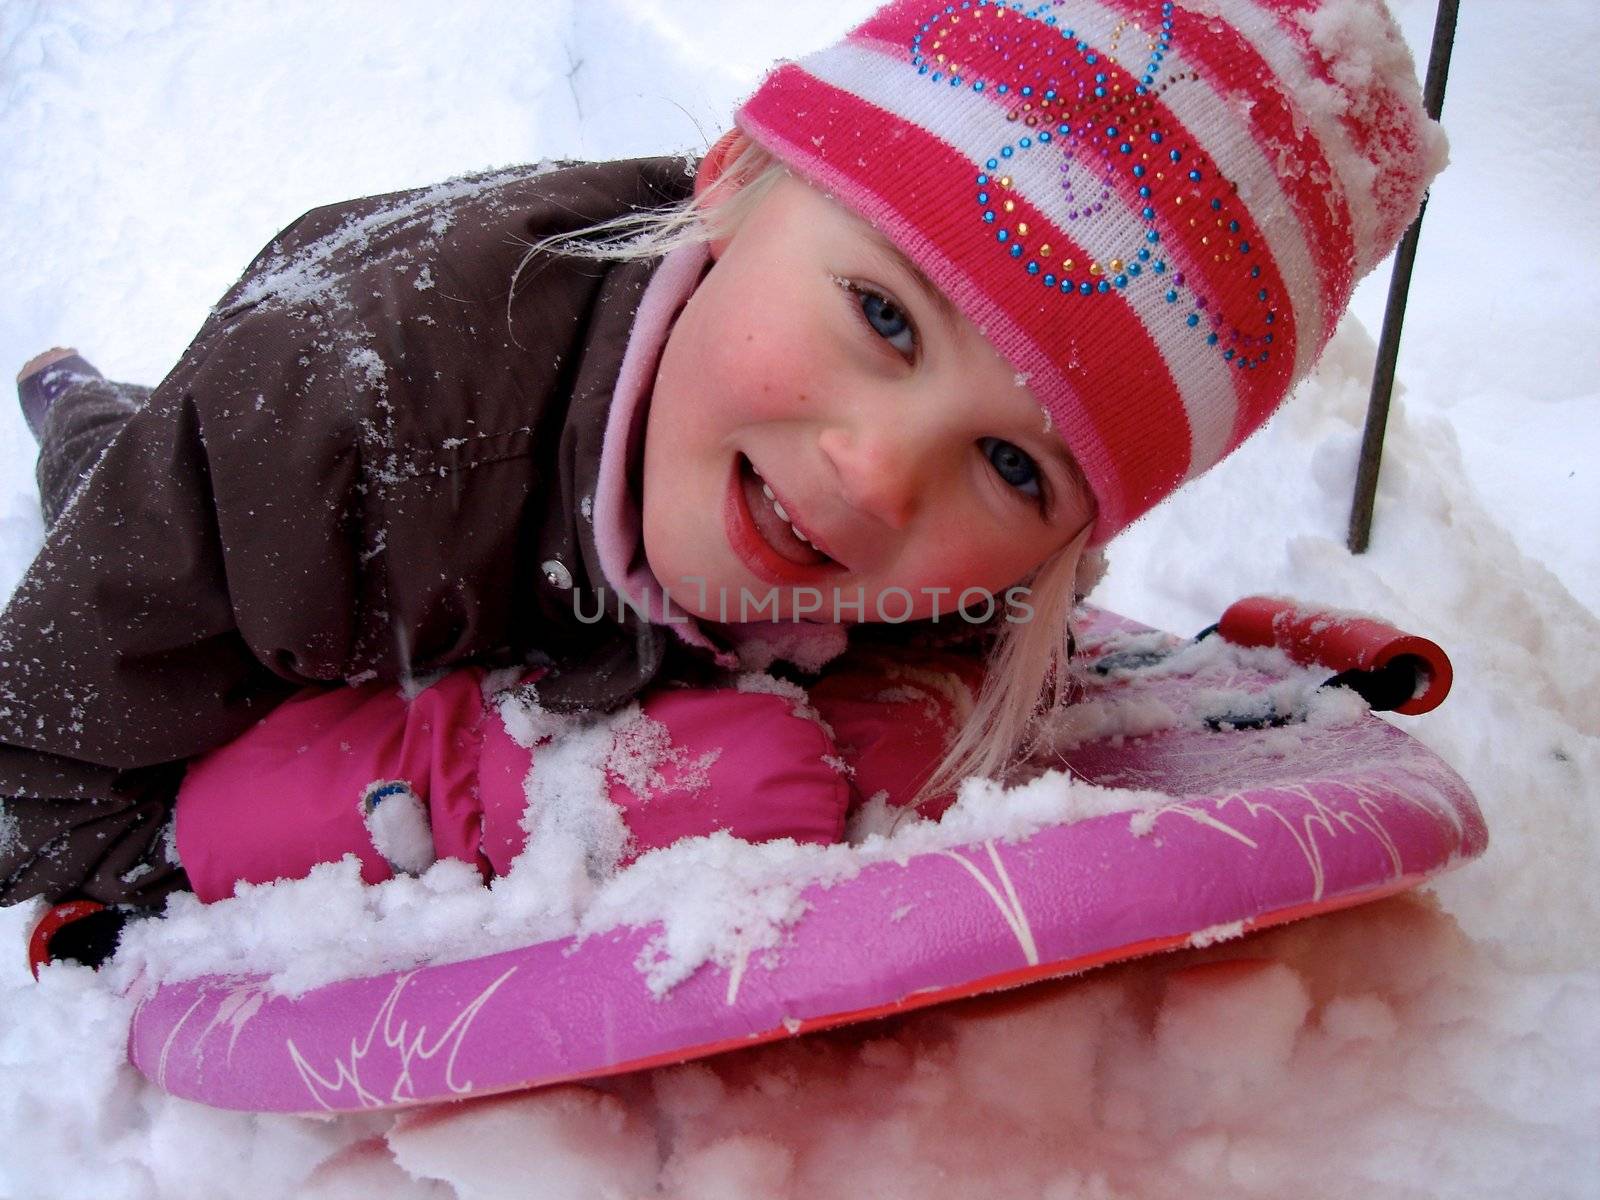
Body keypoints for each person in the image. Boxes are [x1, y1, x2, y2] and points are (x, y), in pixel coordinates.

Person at [4, 0, 1442, 965]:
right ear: (736, 173)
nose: (877, 475)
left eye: (1013, 460)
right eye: (885, 316)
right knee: (116, 485)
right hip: (302, 431)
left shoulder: (962, 558)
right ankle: (71, 398)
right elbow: (42, 792)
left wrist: (892, 721)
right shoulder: (339, 420)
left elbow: (995, 656)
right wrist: (486, 781)